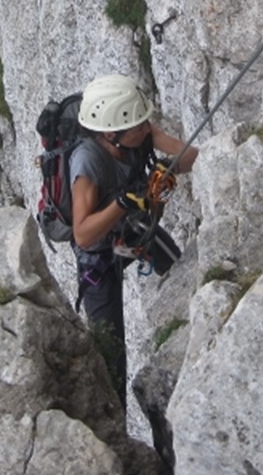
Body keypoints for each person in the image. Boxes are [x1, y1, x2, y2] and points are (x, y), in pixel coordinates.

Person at [70, 74, 198, 408]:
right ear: (110, 133)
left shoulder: (138, 132)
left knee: (184, 272)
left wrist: (166, 164)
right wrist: (123, 203)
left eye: (144, 123)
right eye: (137, 127)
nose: (145, 129)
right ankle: (116, 421)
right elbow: (82, 235)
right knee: (111, 351)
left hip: (132, 230)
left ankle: (196, 331)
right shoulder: (87, 163)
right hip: (99, 255)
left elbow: (191, 157)